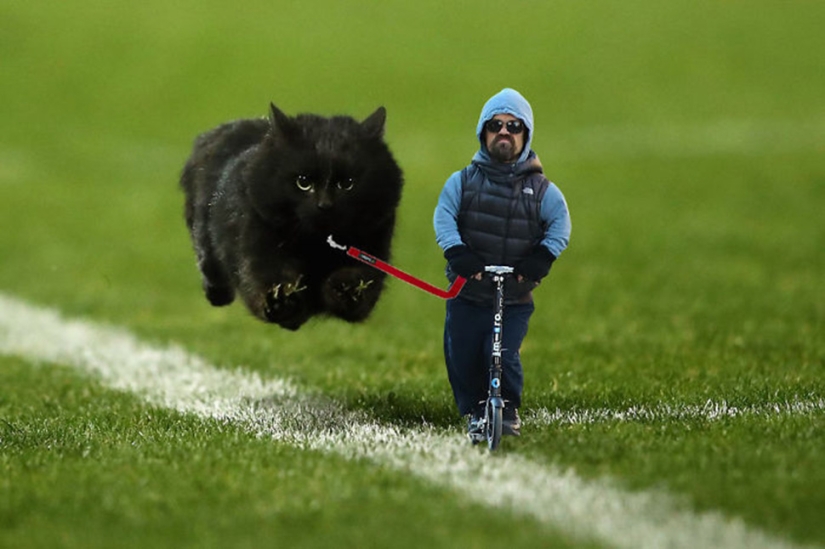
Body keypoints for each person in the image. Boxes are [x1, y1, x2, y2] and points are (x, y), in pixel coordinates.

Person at [433, 88, 571, 440]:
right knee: (462, 354)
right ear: (484, 132)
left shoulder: (542, 191)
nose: (505, 133)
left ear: (525, 135)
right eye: (496, 125)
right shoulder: (462, 182)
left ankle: (506, 408)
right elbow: (444, 216)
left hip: (513, 298)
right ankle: (474, 410)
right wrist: (458, 253)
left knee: (503, 353)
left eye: (514, 126)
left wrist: (541, 258)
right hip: (467, 294)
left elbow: (560, 224)